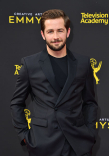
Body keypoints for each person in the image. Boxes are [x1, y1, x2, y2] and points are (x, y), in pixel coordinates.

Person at [10, 9, 98, 156]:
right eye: (50, 31)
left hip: (77, 143)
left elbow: (90, 103)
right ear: (43, 34)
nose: (56, 37)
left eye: (60, 31)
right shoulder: (30, 64)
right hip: (43, 143)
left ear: (68, 32)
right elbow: (16, 103)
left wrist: (89, 133)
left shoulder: (84, 63)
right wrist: (24, 136)